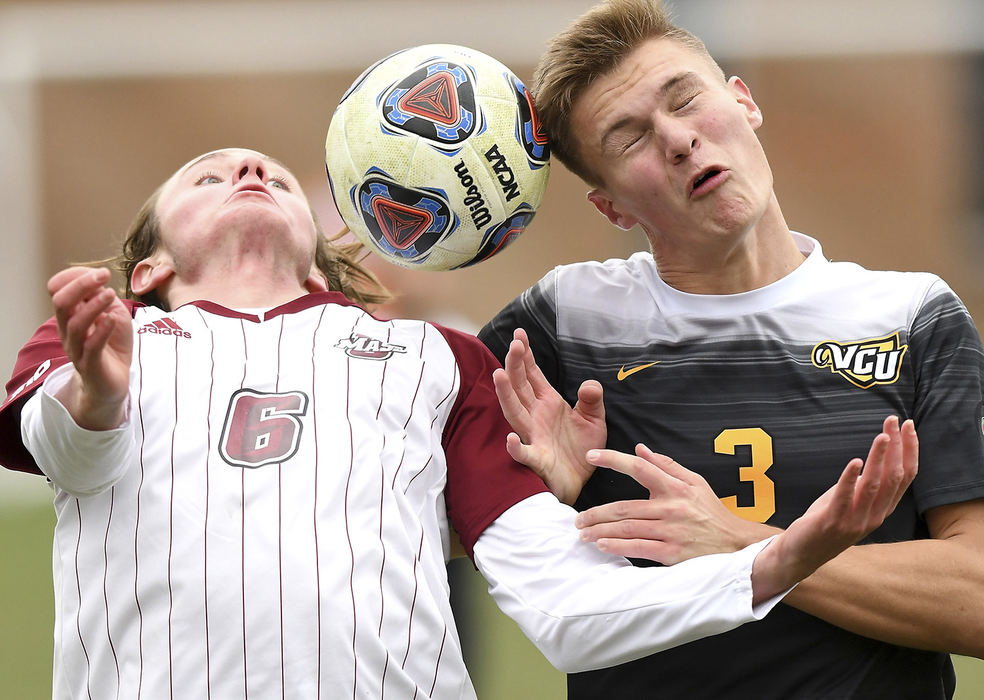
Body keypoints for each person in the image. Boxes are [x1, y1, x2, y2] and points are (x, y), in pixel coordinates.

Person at [0, 147, 913, 699]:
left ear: (320, 267)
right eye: (209, 174)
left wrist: (782, 557)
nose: (247, 170)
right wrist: (100, 396)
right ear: (152, 264)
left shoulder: (435, 358)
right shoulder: (109, 340)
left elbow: (564, 597)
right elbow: (65, 455)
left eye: (271, 174)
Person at [479, 1, 984, 698]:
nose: (678, 139)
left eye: (685, 98)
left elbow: (977, 601)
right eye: (630, 138)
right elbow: (412, 515)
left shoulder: (911, 316)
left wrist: (743, 542)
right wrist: (533, 500)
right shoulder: (564, 324)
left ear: (742, 102)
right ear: (612, 208)